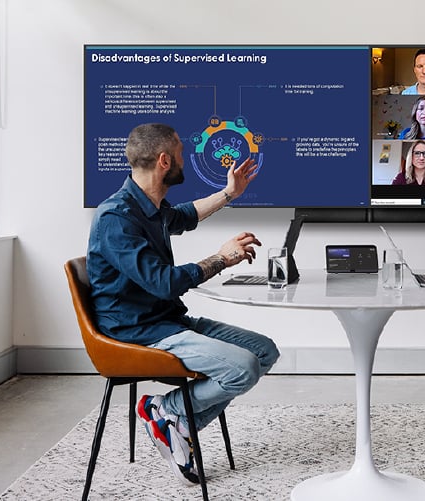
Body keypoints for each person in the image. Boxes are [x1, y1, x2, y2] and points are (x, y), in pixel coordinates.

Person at [87, 123, 280, 487]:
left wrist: (228, 192)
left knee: (264, 351)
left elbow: (186, 216)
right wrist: (221, 259)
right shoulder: (117, 218)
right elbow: (165, 282)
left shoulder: (149, 206)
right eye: (178, 153)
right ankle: (166, 409)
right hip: (138, 332)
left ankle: (178, 424)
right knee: (243, 367)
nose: (183, 159)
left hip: (167, 321)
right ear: (164, 161)